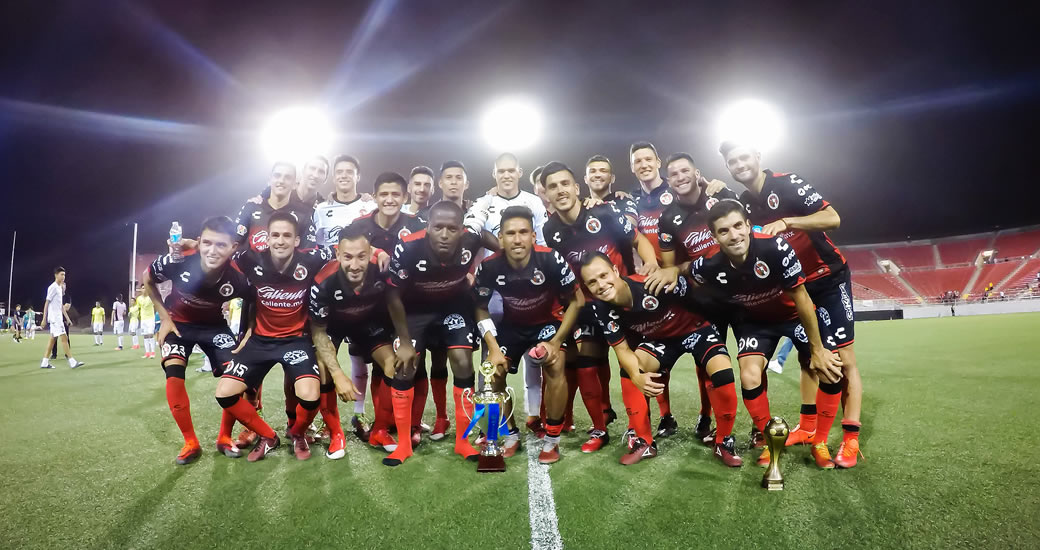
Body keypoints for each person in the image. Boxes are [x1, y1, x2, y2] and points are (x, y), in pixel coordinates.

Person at [719, 140, 864, 467]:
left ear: (757, 156)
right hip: (792, 287)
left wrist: (789, 222)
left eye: (744, 157)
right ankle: (808, 427)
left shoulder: (787, 184)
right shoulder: (744, 203)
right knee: (808, 357)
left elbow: (832, 218)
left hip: (826, 278)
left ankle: (851, 438)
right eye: (732, 161)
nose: (740, 164)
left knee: (842, 360)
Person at [689, 200, 843, 468]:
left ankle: (819, 441)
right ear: (714, 236)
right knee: (749, 376)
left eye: (738, 226)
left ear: (748, 225)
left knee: (831, 368)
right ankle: (771, 439)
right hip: (755, 323)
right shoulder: (707, 265)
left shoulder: (775, 247)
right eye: (724, 231)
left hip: (793, 316)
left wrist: (817, 350)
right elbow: (691, 277)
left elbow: (802, 298)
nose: (734, 235)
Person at [541, 161, 660, 452]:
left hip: (621, 303)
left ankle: (637, 428)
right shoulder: (550, 229)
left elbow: (638, 239)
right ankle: (599, 428)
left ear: (576, 187)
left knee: (632, 364)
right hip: (586, 307)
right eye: (553, 186)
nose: (560, 190)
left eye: (564, 183)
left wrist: (651, 263)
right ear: (546, 194)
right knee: (586, 367)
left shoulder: (604, 212)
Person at [580, 252, 740, 466]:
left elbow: (699, 295)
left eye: (603, 275)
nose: (601, 285)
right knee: (630, 371)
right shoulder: (601, 307)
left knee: (723, 374)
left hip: (697, 330)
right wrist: (637, 376)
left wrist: (675, 272)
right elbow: (622, 350)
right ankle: (644, 443)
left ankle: (723, 442)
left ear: (615, 271)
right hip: (662, 340)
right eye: (592, 282)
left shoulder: (652, 284)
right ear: (587, 287)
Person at [216, 212, 348, 462]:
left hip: (295, 340)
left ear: (297, 240)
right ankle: (268, 436)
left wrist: (376, 252)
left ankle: (297, 432)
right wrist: (190, 246)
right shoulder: (249, 258)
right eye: (275, 235)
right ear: (267, 238)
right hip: (260, 341)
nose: (280, 241)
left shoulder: (312, 258)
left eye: (287, 236)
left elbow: (344, 249)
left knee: (310, 395)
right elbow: (219, 253)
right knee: (225, 393)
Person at [475, 206, 584, 463]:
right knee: (493, 372)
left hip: (547, 323)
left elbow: (577, 300)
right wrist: (493, 348)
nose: (517, 239)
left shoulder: (550, 259)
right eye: (510, 233)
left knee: (555, 363)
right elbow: (480, 308)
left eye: (523, 232)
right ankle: (511, 435)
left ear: (533, 236)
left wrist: (556, 342)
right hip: (512, 326)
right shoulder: (489, 266)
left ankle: (552, 439)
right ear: (500, 238)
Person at [144, 216, 252, 465]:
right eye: (208, 243)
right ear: (199, 242)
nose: (213, 251)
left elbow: (253, 300)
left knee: (235, 378)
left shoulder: (237, 275)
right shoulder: (177, 260)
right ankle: (190, 442)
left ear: (233, 247)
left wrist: (248, 332)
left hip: (214, 326)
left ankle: (225, 437)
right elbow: (146, 279)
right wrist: (165, 318)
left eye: (221, 245)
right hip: (178, 324)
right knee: (174, 373)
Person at [386, 200, 485, 462]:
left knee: (463, 360)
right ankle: (403, 445)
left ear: (462, 230)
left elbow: (485, 237)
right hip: (415, 311)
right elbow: (393, 295)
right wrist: (404, 341)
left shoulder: (470, 240)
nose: (444, 234)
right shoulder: (408, 247)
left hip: (454, 306)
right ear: (427, 227)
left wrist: (506, 250)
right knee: (404, 366)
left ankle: (463, 442)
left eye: (452, 229)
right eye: (438, 227)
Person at [654, 152, 740, 443]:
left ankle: (757, 428)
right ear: (668, 181)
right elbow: (670, 268)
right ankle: (706, 415)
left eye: (685, 171)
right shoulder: (668, 218)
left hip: (742, 293)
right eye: (674, 174)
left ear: (697, 173)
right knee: (708, 362)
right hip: (706, 299)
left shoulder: (722, 195)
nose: (680, 177)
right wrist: (698, 267)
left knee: (751, 359)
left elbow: (747, 233)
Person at [464, 153, 551, 437]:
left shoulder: (533, 202)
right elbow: (471, 232)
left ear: (520, 172)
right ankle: (488, 423)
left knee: (533, 356)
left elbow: (542, 242)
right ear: (494, 174)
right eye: (501, 171)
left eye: (511, 170)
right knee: (490, 357)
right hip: (493, 289)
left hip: (529, 285)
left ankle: (534, 416)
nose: (506, 175)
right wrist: (502, 252)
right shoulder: (483, 202)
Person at [311, 225, 409, 463]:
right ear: (337, 254)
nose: (354, 265)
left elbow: (396, 300)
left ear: (371, 253)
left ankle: (380, 430)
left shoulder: (382, 270)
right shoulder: (323, 282)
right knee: (323, 367)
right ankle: (336, 433)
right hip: (333, 327)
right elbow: (318, 332)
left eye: (361, 257)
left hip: (368, 325)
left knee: (394, 365)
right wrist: (338, 375)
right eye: (348, 257)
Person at [343, 171, 426, 443]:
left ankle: (412, 424)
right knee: (380, 367)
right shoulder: (360, 225)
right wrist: (375, 252)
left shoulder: (417, 224)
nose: (389, 199)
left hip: (408, 307)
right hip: (370, 309)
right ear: (375, 196)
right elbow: (341, 248)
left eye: (395, 195)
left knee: (415, 364)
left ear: (404, 197)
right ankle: (382, 424)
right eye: (384, 194)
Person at [627, 142, 679, 437]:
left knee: (704, 354)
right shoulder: (630, 199)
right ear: (632, 167)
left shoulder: (677, 189)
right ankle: (662, 417)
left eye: (648, 159)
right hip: (647, 284)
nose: (644, 164)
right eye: (638, 161)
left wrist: (717, 186)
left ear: (658, 162)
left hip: (679, 280)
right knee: (651, 355)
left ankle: (704, 417)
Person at [234, 161, 318, 253]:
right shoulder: (252, 207)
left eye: (287, 177)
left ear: (294, 184)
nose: (281, 181)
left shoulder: (304, 215)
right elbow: (234, 244)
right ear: (269, 180)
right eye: (277, 176)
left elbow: (309, 253)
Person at [313, 155, 377, 250]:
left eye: (349, 172)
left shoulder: (372, 207)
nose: (344, 176)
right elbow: (319, 244)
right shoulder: (320, 210)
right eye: (339, 172)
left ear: (358, 177)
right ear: (334, 178)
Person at [40, 267, 84, 369]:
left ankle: (44, 362)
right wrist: (44, 318)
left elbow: (60, 306)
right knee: (64, 338)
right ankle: (72, 361)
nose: (63, 277)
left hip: (58, 317)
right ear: (56, 275)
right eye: (61, 274)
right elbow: (47, 303)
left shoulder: (59, 288)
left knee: (52, 340)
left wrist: (67, 318)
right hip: (55, 318)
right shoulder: (53, 287)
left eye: (64, 275)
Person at [135, 287, 156, 359]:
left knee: (150, 335)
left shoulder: (151, 297)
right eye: (143, 288)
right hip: (143, 319)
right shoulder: (139, 299)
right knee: (145, 336)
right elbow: (138, 308)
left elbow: (156, 305)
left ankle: (152, 352)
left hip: (150, 319)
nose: (144, 289)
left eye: (145, 288)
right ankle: (147, 353)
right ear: (141, 289)